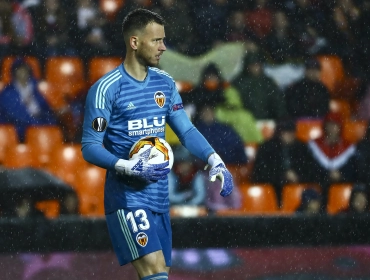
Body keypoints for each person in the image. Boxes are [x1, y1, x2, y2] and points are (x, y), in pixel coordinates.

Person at [81, 9, 234, 280]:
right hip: (127, 197)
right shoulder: (106, 89)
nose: (164, 47)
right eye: (157, 41)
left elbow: (185, 130)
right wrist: (127, 166)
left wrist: (214, 159)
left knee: (159, 273)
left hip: (160, 198)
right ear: (135, 42)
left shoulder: (164, 83)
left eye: (164, 40)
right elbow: (90, 146)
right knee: (155, 272)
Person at [252, 120, 314, 203]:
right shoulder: (267, 148)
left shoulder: (302, 148)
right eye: (286, 132)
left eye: (292, 132)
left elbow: (311, 171)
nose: (289, 135)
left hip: (299, 190)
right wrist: (283, 176)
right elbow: (259, 174)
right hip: (273, 191)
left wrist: (298, 177)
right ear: (279, 133)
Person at [0, 58, 57, 142]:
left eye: (24, 69)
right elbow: (16, 115)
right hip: (18, 130)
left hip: (39, 125)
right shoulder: (8, 92)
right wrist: (38, 124)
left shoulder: (36, 88)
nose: (22, 72)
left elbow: (45, 109)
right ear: (14, 73)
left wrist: (51, 121)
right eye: (19, 70)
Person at [307, 112, 357, 206]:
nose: (332, 128)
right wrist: (326, 175)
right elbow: (310, 170)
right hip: (320, 187)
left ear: (340, 127)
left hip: (342, 186)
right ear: (325, 126)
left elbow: (353, 171)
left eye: (335, 125)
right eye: (329, 124)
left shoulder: (349, 148)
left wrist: (341, 175)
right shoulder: (314, 146)